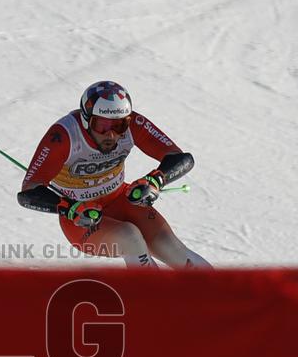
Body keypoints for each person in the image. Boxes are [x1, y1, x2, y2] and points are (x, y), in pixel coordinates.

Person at [17, 81, 212, 269]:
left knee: (175, 250)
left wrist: (155, 180)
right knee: (130, 237)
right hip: (83, 218)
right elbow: (28, 191)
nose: (111, 135)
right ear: (86, 119)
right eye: (101, 126)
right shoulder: (64, 136)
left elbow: (181, 158)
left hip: (123, 200)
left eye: (119, 126)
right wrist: (69, 208)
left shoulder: (133, 123)